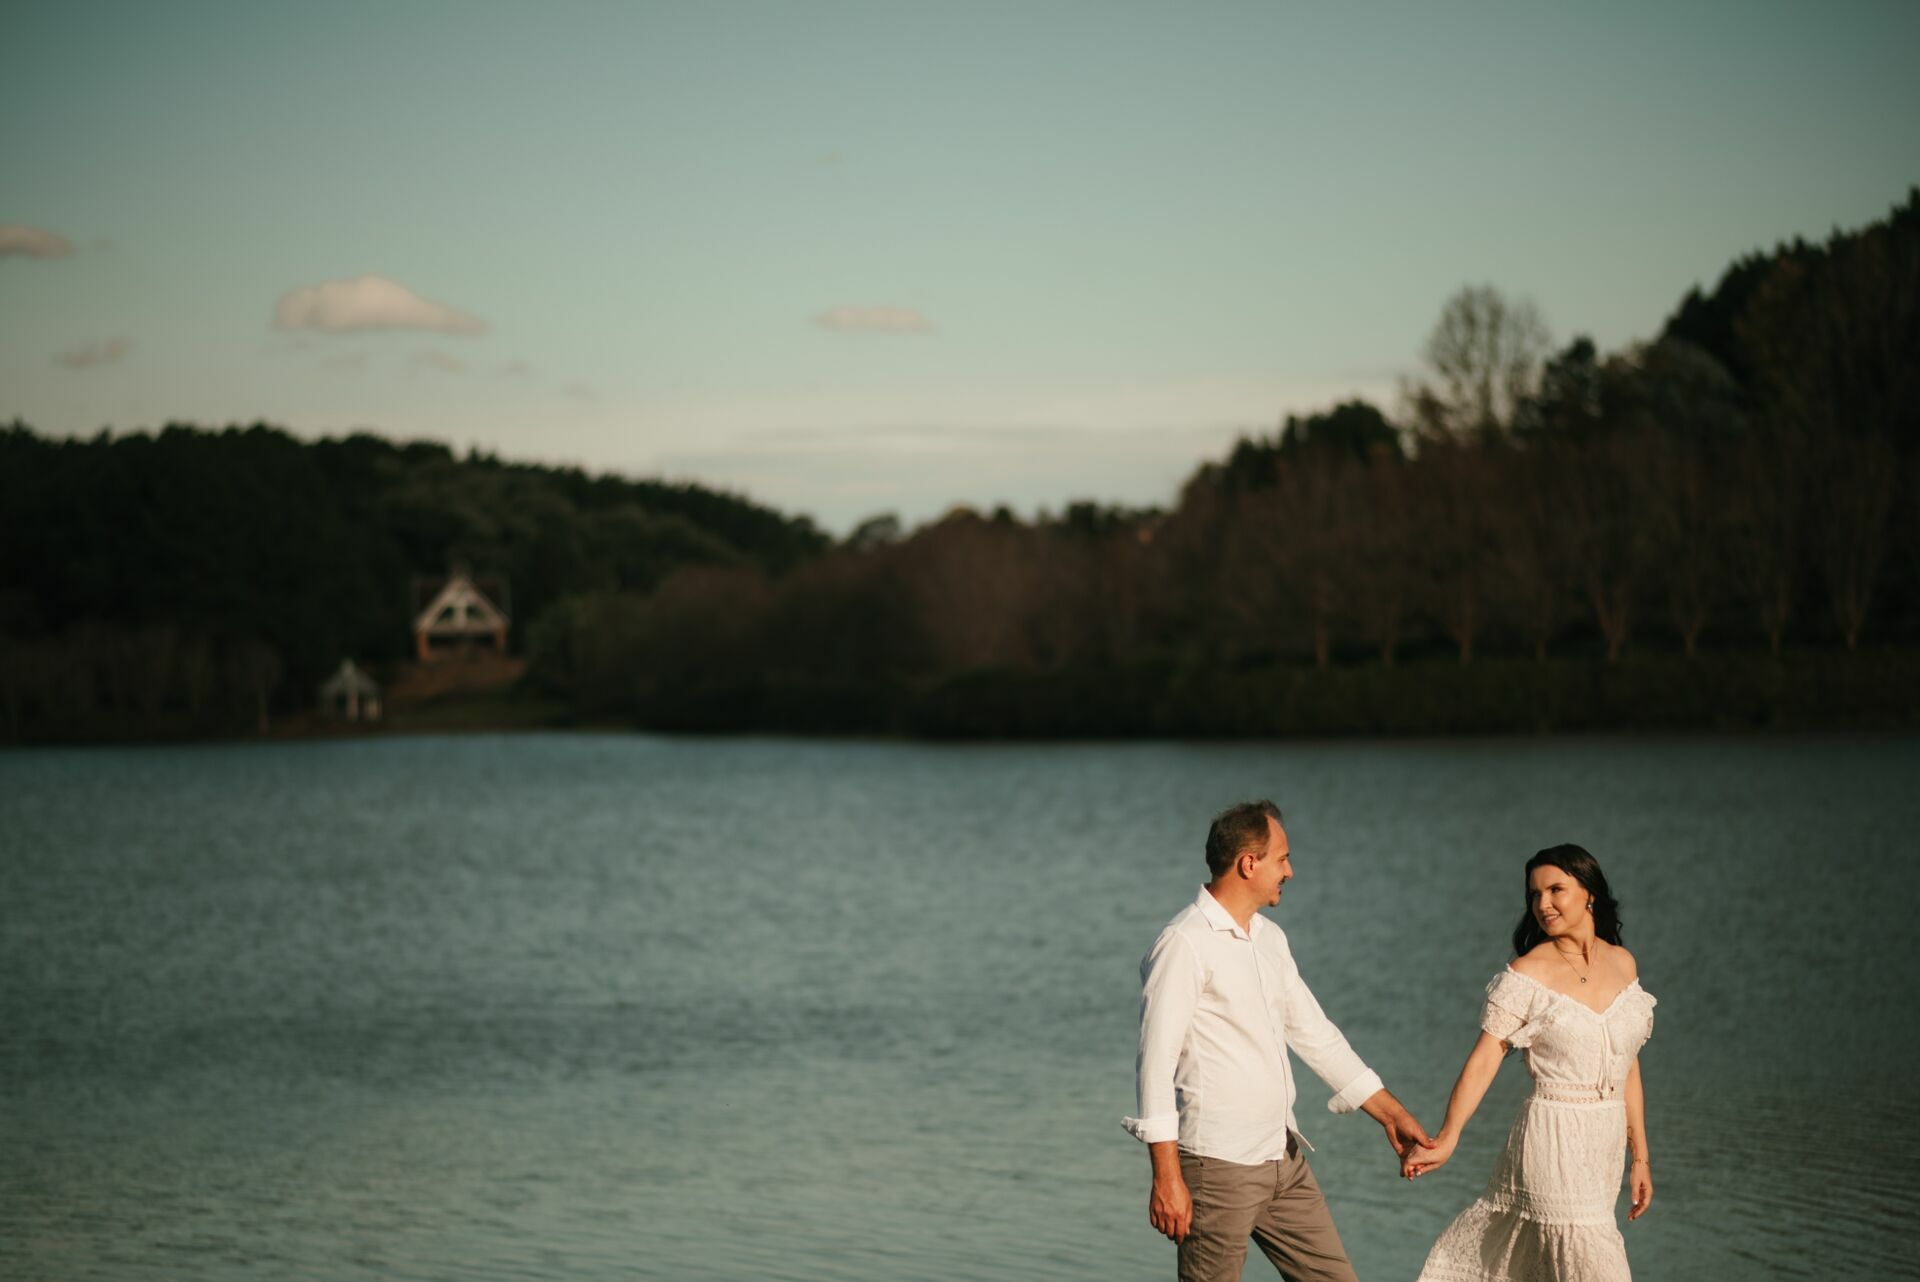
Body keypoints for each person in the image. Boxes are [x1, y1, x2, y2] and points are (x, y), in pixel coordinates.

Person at [1124, 800, 1435, 1282]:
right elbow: (1154, 1067)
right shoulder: (1184, 944)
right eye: (1282, 858)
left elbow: (1316, 1035)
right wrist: (1166, 1177)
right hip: (1217, 1167)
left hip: (1283, 1159)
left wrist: (1390, 1114)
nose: (1289, 871)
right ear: (1249, 863)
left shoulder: (1269, 938)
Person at [1404, 844, 1656, 1282]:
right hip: (1551, 1137)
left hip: (1605, 1146)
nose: (1543, 904)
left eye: (1556, 889)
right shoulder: (1527, 973)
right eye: (1534, 895)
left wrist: (1641, 1158)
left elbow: (1626, 1064)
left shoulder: (1623, 964)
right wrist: (1449, 1136)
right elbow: (1485, 1059)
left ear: (1589, 893)